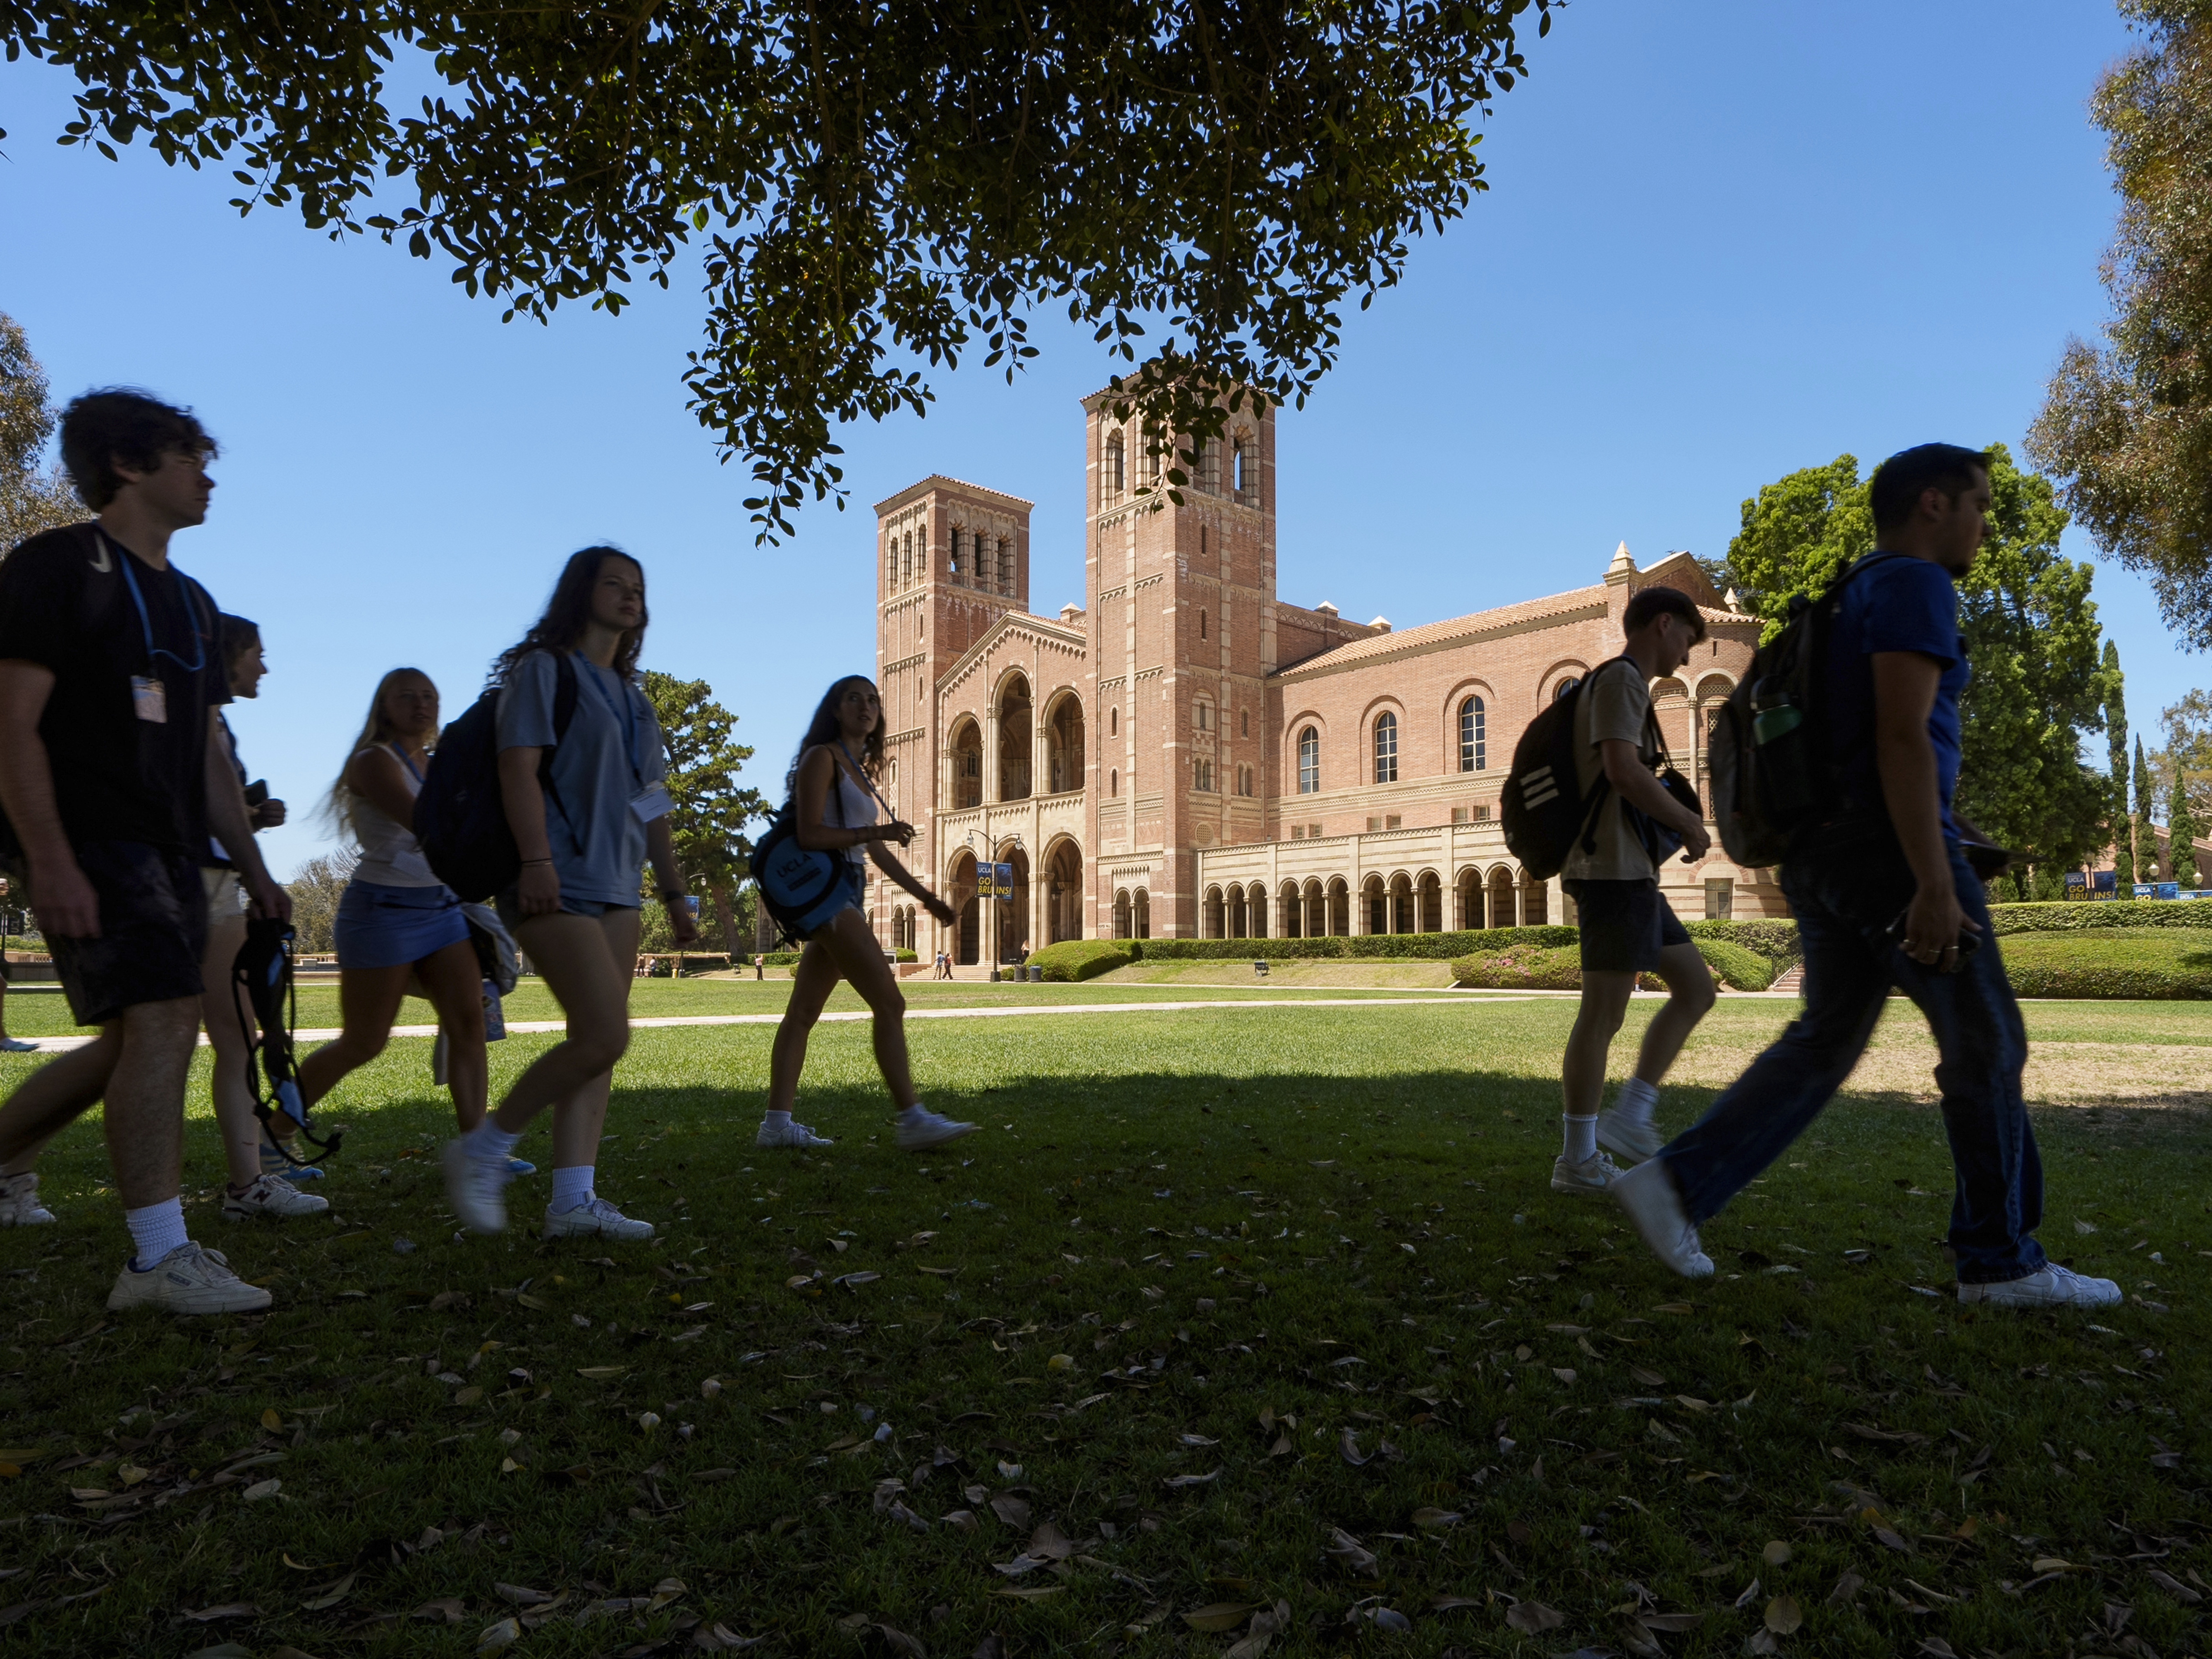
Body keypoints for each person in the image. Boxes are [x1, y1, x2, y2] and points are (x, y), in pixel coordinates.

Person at [1614, 445, 2119, 1308]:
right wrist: (1932, 876)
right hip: (1886, 853)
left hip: (1819, 853)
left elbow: (1862, 740)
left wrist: (1946, 822)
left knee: (1824, 1039)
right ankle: (1999, 1261)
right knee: (1986, 1039)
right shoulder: (1915, 583)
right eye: (1977, 505)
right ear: (1932, 503)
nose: (1984, 525)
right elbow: (1899, 736)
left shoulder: (1845, 596)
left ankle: (1676, 1184)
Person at [0, 389, 288, 1315]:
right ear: (127, 464)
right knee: (165, 1019)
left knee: (135, 1036)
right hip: (87, 838)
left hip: (168, 850)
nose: (207, 475)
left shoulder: (195, 603)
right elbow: (12, 726)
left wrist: (252, 866)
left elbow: (207, 752)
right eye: (187, 456)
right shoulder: (57, 566)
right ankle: (157, 1259)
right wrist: (46, 857)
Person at [442, 547, 696, 1239]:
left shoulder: (634, 700)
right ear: (580, 592)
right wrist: (535, 860)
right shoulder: (544, 672)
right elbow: (516, 769)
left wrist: (673, 892)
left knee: (598, 1044)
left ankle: (572, 1201)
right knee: (605, 1031)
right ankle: (485, 1147)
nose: (629, 596)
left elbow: (650, 802)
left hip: (619, 886)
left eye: (638, 587)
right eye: (613, 583)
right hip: (551, 879)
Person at [290, 667, 501, 1166]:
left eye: (430, 696)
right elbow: (429, 824)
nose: (422, 704)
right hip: (382, 911)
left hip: (441, 907)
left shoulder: (438, 763)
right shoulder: (372, 761)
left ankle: (477, 1149)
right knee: (364, 1042)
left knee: (469, 1022)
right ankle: (275, 1135)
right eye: (407, 696)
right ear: (384, 706)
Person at [757, 676, 973, 1152]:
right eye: (853, 698)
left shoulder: (859, 770)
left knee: (802, 1013)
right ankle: (911, 1117)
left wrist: (928, 896)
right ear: (835, 709)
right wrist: (867, 834)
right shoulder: (823, 758)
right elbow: (810, 833)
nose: (866, 706)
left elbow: (879, 849)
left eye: (873, 699)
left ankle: (775, 1124)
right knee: (890, 1002)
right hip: (829, 894)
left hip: (848, 890)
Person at [1550, 585, 1716, 1196]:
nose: (1688, 656)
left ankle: (1632, 1114)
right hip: (1610, 873)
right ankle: (1578, 1159)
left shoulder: (1626, 686)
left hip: (1632, 875)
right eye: (1687, 641)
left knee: (1696, 989)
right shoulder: (1620, 680)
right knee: (1602, 1016)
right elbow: (1622, 770)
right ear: (1663, 625)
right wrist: (1688, 822)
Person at [198, 613, 328, 1219]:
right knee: (207, 1043)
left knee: (238, 1041)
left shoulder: (212, 720)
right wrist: (258, 870)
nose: (265, 667)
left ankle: (250, 1181)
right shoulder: (196, 719)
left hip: (217, 886)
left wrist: (252, 820)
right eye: (258, 654)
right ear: (229, 653)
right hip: (199, 887)